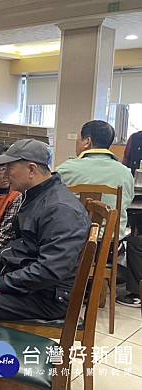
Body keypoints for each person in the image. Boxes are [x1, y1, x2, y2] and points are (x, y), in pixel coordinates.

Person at [0, 139, 90, 323]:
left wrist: (2, 284)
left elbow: (51, 269)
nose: (5, 174)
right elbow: (22, 244)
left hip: (49, 296)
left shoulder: (60, 209)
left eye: (9, 168)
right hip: (34, 282)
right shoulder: (36, 196)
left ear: (31, 169)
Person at [57, 120, 136, 307]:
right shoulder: (125, 173)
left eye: (78, 139)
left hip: (72, 244)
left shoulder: (66, 169)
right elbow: (127, 202)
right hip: (108, 245)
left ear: (87, 142)